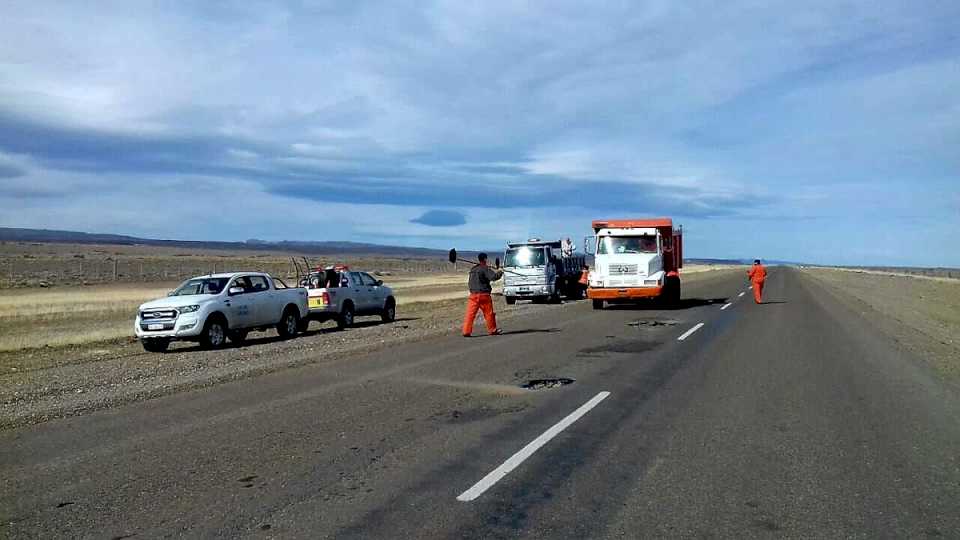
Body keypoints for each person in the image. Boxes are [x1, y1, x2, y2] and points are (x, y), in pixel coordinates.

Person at [462, 253, 504, 337]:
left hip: (473, 295)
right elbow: (493, 277)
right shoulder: (485, 268)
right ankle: (492, 330)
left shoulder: (473, 269)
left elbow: (470, 282)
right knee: (489, 314)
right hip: (484, 295)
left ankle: (466, 331)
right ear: (485, 259)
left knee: (470, 314)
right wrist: (500, 272)